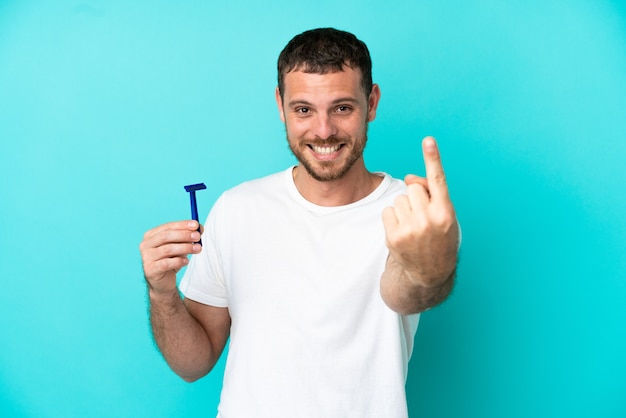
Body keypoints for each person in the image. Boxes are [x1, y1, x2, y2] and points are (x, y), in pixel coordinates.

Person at [140, 27, 459, 418]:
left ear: (371, 102)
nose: (323, 131)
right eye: (304, 109)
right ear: (280, 105)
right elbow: (193, 363)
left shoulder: (416, 215)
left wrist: (429, 268)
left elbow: (403, 294)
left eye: (342, 108)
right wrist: (161, 293)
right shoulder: (237, 208)